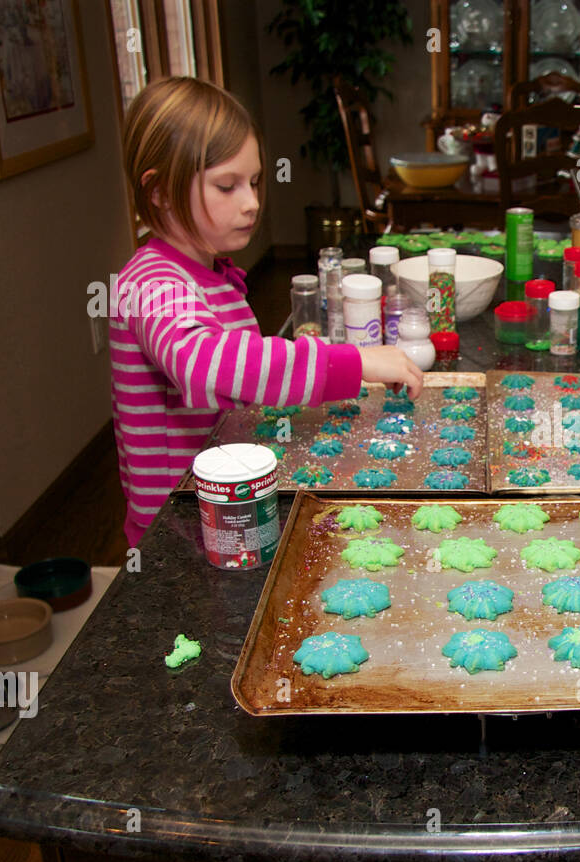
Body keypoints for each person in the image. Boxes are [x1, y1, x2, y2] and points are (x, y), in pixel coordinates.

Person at [111, 77, 422, 547]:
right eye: (226, 185)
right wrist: (351, 363)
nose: (252, 202)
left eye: (254, 182)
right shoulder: (152, 282)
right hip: (178, 530)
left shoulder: (213, 272)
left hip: (230, 509)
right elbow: (204, 363)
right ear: (159, 191)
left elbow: (248, 385)